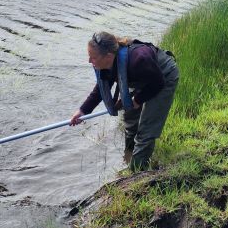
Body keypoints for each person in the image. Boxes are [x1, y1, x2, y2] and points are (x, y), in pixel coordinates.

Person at [70, 31, 179, 171]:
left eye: (93, 58)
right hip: (144, 78)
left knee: (146, 129)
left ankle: (136, 172)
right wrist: (82, 111)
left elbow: (157, 83)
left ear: (108, 56)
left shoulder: (139, 59)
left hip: (163, 76)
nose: (89, 61)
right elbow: (100, 90)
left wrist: (137, 100)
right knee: (130, 120)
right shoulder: (107, 64)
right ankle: (128, 157)